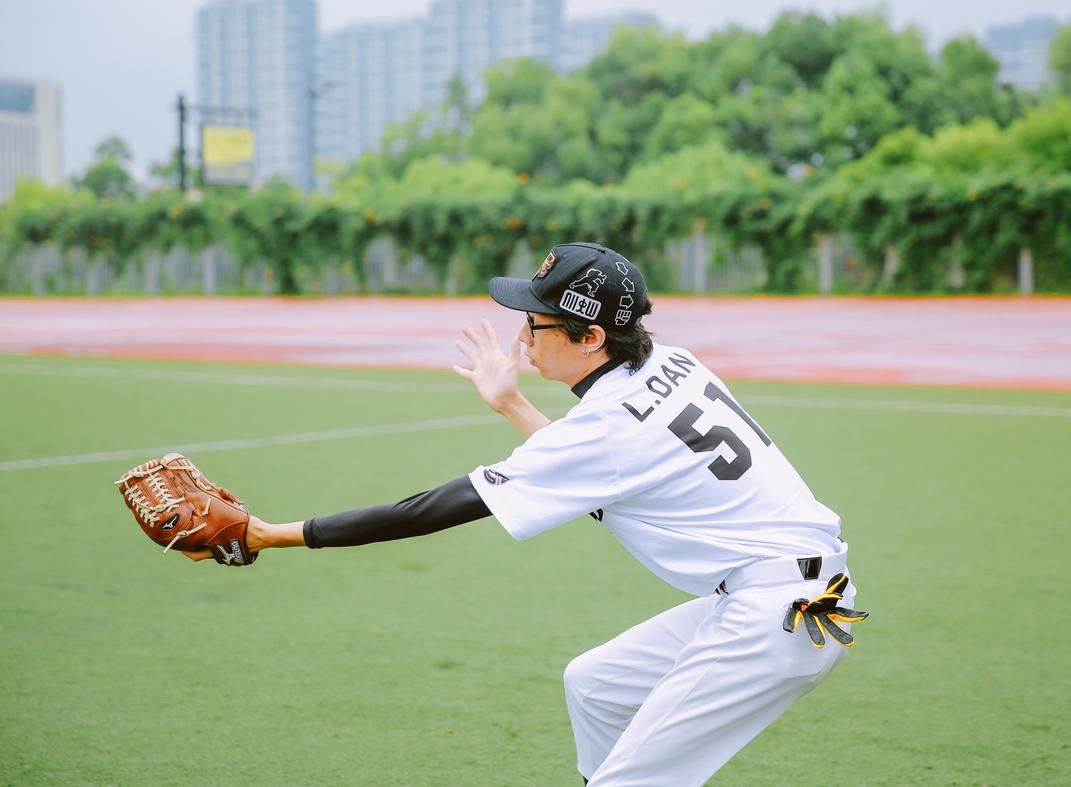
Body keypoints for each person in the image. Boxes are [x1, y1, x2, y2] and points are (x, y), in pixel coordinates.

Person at [186, 242, 866, 786]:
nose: (523, 336)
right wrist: (511, 402)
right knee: (596, 684)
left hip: (773, 618)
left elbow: (430, 510)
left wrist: (270, 535)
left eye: (535, 322)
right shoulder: (669, 362)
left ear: (591, 336)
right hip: (794, 593)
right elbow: (596, 469)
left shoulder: (606, 427)